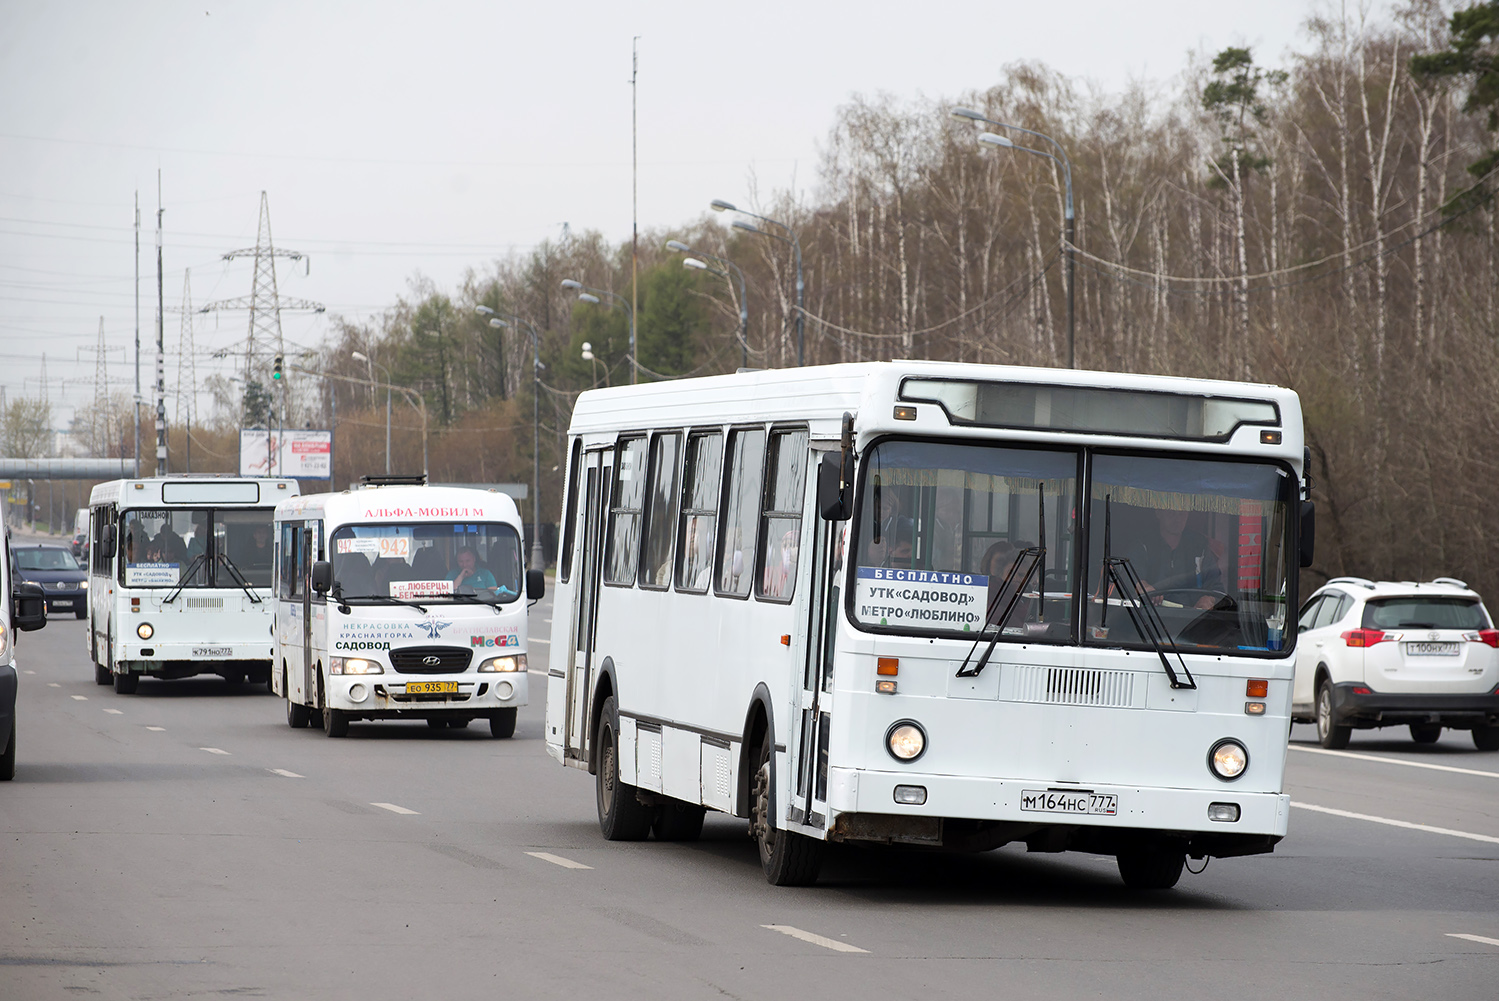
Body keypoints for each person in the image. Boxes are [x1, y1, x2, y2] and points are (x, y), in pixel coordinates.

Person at [1128, 508, 1223, 606]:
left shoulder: (1199, 548)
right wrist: (1142, 586)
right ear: (1158, 513)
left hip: (1191, 614)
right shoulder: (1143, 545)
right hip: (1151, 613)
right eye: (1171, 512)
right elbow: (1129, 575)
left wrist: (1209, 599)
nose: (1177, 518)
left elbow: (1216, 587)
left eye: (1182, 513)